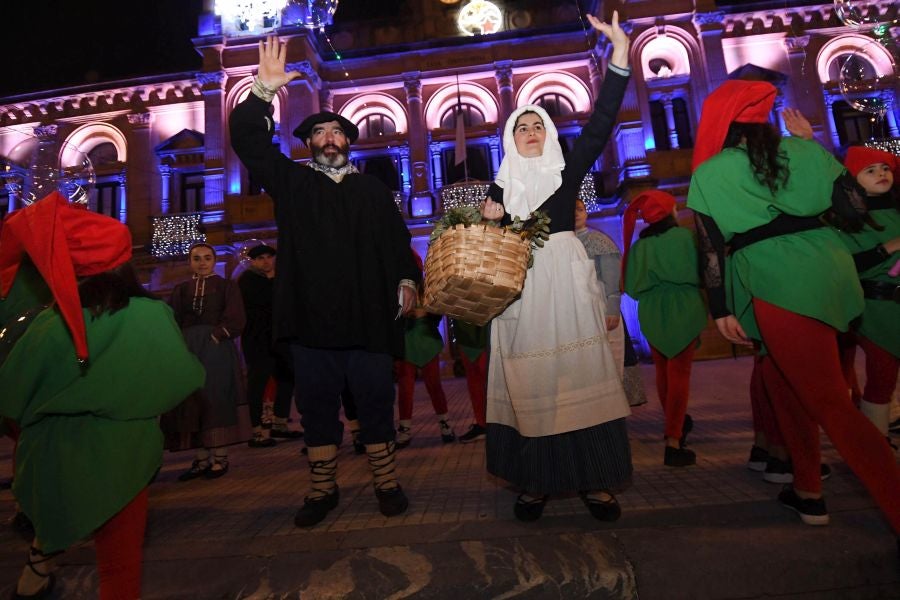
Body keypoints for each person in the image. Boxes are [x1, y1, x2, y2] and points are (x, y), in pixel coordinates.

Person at [687, 79, 900, 534]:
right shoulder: (804, 150)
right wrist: (813, 145)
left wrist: (720, 307)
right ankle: (807, 490)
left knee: (830, 403)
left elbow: (710, 247)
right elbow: (854, 208)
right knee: (784, 382)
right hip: (830, 268)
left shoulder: (710, 172)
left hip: (777, 278)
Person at [230, 36, 421, 527]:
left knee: (375, 403)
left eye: (337, 131)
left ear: (349, 142)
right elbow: (249, 142)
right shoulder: (293, 184)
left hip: (368, 320)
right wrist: (262, 92)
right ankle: (322, 489)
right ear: (309, 144)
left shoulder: (373, 190)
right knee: (316, 408)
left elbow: (398, 244)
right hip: (311, 326)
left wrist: (406, 279)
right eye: (320, 132)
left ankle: (386, 482)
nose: (329, 138)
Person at [0, 193, 204, 600]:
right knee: (119, 566)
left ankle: (34, 578)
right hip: (126, 456)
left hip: (58, 454)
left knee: (57, 522)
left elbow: (12, 396)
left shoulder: (49, 325)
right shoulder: (153, 314)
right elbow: (181, 380)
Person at [479, 10, 632, 522]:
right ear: (510, 137)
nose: (530, 132)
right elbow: (484, 252)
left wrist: (620, 55)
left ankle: (595, 480)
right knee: (532, 382)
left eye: (537, 126)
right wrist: (490, 225)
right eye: (521, 127)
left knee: (580, 374)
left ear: (548, 134)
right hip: (521, 293)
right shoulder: (499, 187)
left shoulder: (567, 173)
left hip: (566, 282)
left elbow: (602, 122)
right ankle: (536, 483)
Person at [621, 190, 707, 467]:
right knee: (680, 372)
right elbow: (704, 271)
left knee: (663, 371)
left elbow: (631, 288)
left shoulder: (640, 246)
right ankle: (673, 440)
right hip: (683, 305)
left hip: (652, 310)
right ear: (669, 212)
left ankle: (676, 423)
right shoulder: (685, 237)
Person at [834, 146, 899, 443]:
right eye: (870, 170)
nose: (881, 174)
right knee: (882, 374)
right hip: (874, 308)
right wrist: (889, 247)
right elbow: (847, 265)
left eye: (884, 168)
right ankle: (875, 445)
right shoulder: (847, 220)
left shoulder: (896, 210)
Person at [165, 243, 245, 480]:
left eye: (207, 258)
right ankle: (200, 459)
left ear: (214, 261)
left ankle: (220, 457)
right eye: (197, 258)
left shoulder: (227, 286)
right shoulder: (181, 289)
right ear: (189, 262)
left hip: (216, 349)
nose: (202, 263)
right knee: (194, 400)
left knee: (216, 398)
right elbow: (172, 319)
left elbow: (236, 317)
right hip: (189, 350)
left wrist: (218, 335)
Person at [574, 198, 647, 408]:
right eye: (570, 210)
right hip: (578, 314)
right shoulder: (563, 243)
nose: (575, 214)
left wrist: (613, 309)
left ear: (586, 213)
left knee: (610, 363)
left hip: (603, 311)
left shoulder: (599, 240)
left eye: (580, 209)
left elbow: (611, 278)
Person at [238, 243, 302, 447]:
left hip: (279, 339)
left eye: (269, 257)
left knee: (287, 378)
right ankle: (256, 430)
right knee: (258, 383)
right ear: (253, 261)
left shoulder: (278, 278)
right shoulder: (248, 280)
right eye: (261, 258)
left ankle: (280, 423)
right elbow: (266, 302)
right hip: (258, 340)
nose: (266, 261)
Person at [395, 249, 456, 448]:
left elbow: (437, 312)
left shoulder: (427, 287)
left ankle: (445, 424)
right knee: (406, 387)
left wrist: (428, 313)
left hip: (426, 339)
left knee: (433, 384)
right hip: (407, 340)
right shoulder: (398, 287)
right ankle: (405, 429)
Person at [450, 318, 489, 443]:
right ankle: (482, 424)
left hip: (486, 329)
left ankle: (495, 425)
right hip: (465, 333)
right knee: (474, 382)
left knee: (492, 381)